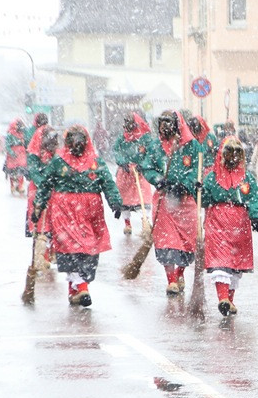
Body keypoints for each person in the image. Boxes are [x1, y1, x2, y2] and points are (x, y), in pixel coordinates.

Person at [31, 126, 123, 306]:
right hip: (64, 211)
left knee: (89, 249)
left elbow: (108, 183)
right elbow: (46, 185)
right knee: (70, 248)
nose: (77, 144)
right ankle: (82, 287)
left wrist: (115, 202)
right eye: (72, 139)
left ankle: (74, 290)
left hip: (90, 213)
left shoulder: (96, 162)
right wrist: (38, 206)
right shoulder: (59, 162)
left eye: (80, 139)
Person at [139, 110, 203, 295]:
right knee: (167, 241)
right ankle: (171, 280)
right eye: (162, 122)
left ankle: (180, 272)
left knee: (186, 241)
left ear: (177, 124)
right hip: (164, 202)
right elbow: (147, 167)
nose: (164, 126)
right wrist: (158, 179)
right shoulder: (154, 146)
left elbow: (196, 170)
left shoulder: (192, 146)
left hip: (185, 200)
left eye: (168, 122)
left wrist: (184, 184)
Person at [202, 137, 258, 316]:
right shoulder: (212, 177)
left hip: (239, 224)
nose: (234, 156)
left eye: (238, 152)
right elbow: (204, 200)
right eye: (230, 151)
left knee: (235, 264)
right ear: (222, 154)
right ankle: (222, 298)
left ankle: (229, 300)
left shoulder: (247, 178)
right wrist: (199, 190)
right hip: (217, 222)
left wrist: (255, 216)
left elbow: (253, 199)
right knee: (221, 262)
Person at [113, 112, 158, 236]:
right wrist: (123, 163)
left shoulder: (145, 138)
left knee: (143, 197)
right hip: (126, 172)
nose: (127, 127)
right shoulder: (122, 138)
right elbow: (117, 150)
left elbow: (150, 153)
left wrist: (142, 164)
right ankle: (127, 223)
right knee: (125, 199)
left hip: (139, 172)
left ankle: (145, 221)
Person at [25, 125, 59, 247]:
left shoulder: (56, 155)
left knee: (54, 223)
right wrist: (44, 184)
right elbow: (34, 172)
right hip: (39, 190)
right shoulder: (34, 155)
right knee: (40, 225)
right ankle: (42, 254)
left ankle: (52, 251)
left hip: (53, 190)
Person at [4, 119, 28, 196]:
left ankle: (20, 185)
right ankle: (13, 185)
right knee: (12, 171)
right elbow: (7, 145)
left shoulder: (23, 134)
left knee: (21, 170)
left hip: (21, 155)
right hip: (13, 156)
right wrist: (11, 152)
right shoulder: (10, 135)